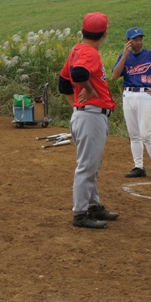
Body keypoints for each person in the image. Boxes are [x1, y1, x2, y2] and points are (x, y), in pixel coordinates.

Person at [59, 12, 120, 229]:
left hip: (86, 114)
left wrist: (76, 105)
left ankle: (93, 206)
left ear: (83, 30)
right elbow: (77, 73)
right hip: (91, 115)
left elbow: (63, 83)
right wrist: (89, 90)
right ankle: (80, 213)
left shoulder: (77, 49)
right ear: (104, 33)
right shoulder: (88, 52)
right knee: (87, 166)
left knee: (92, 163)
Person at [112, 27, 151, 181]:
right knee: (134, 134)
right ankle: (138, 166)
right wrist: (124, 56)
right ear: (128, 42)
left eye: (141, 39)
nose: (139, 42)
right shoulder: (124, 57)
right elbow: (114, 75)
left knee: (146, 133)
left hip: (145, 94)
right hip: (128, 94)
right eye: (135, 39)